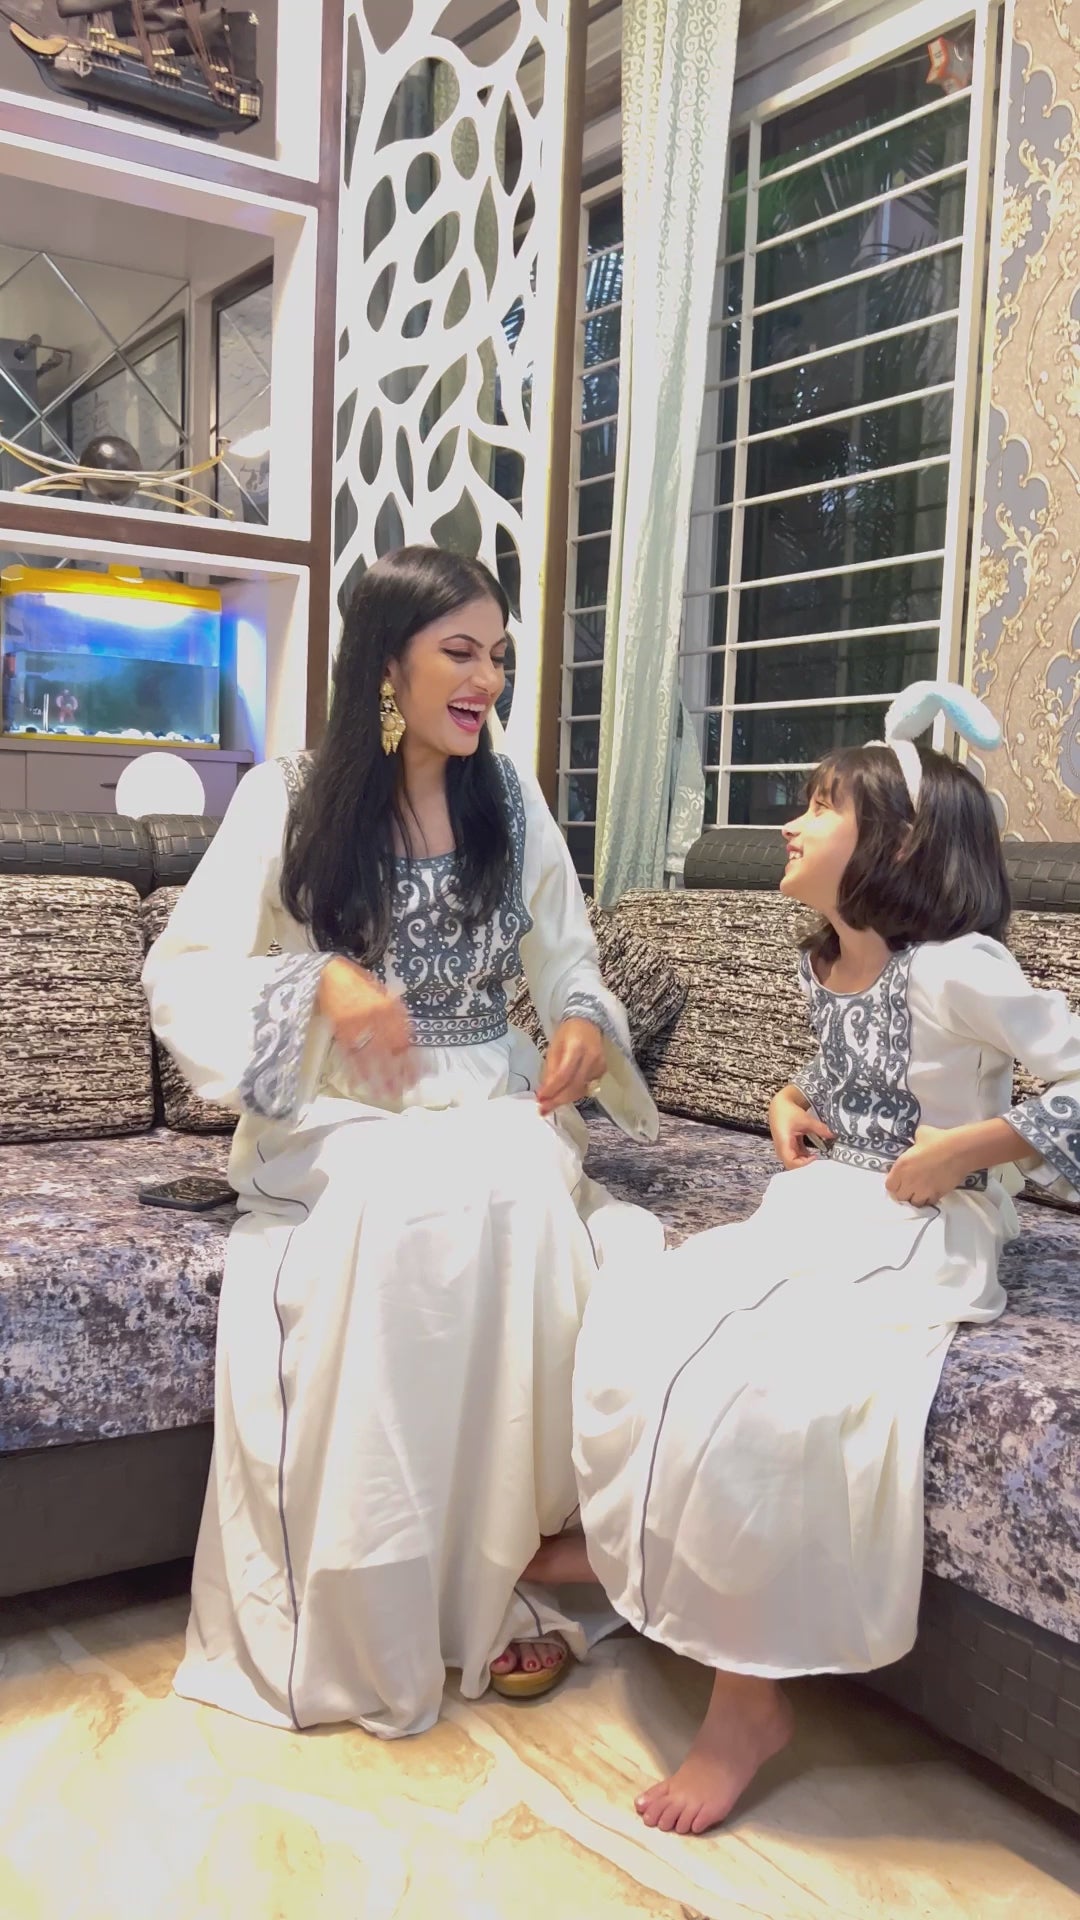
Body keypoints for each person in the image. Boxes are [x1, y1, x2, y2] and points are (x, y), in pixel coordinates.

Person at [143, 544, 663, 1739]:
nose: (488, 681)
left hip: (487, 1093)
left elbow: (570, 956)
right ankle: (379, 1599)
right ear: (388, 663)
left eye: (499, 657)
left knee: (521, 1193)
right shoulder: (288, 797)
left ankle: (509, 1573)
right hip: (344, 1106)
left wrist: (582, 1021)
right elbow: (184, 971)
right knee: (395, 1206)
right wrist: (323, 983)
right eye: (460, 653)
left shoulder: (509, 799)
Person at [567, 681, 1080, 1834]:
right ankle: (618, 1551)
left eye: (818, 807)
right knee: (648, 1314)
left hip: (927, 1228)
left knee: (774, 1384)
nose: (790, 826)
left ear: (894, 844)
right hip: (828, 1204)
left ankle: (747, 1703)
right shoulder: (829, 961)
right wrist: (791, 1098)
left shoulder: (959, 968)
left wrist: (974, 1148)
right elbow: (855, 1078)